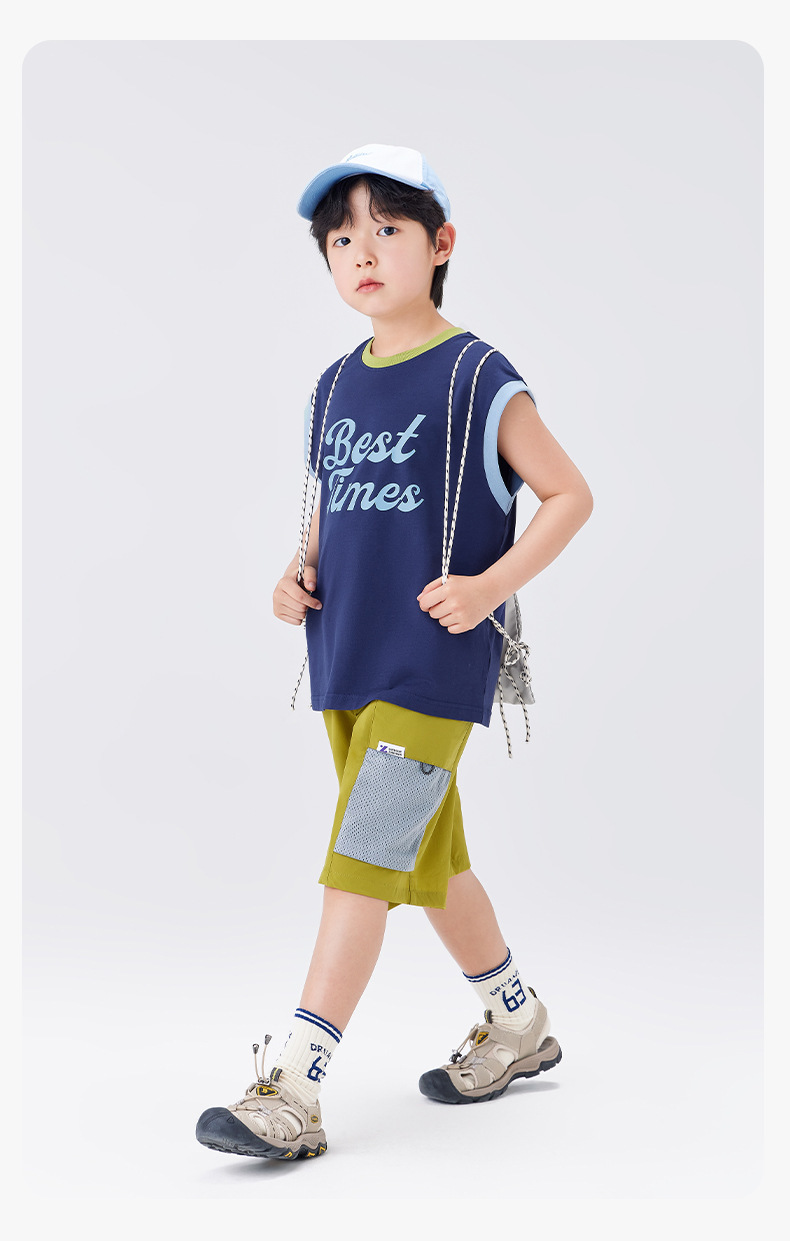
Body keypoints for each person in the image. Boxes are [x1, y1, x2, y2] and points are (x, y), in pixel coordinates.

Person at [196, 144, 594, 1161]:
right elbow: (331, 513)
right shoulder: (333, 385)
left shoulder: (476, 376)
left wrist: (489, 585)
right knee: (428, 858)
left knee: (363, 859)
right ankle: (516, 1018)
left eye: (386, 229)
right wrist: (295, 573)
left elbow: (568, 494)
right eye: (341, 239)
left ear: (440, 243)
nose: (362, 252)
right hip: (347, 655)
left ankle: (293, 1084)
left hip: (432, 662)